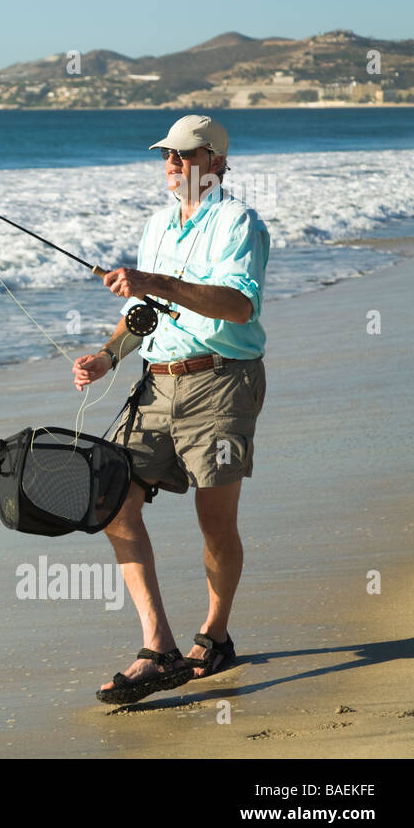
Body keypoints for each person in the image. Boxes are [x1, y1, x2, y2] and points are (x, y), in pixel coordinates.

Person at [71, 114, 270, 705]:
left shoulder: (240, 223)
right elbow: (147, 311)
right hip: (155, 385)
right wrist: (109, 355)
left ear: (214, 161)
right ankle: (157, 647)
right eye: (167, 157)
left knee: (215, 522)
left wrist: (153, 280)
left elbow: (238, 306)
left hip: (221, 383)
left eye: (184, 156)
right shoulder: (158, 225)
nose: (173, 166)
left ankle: (215, 632)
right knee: (112, 502)